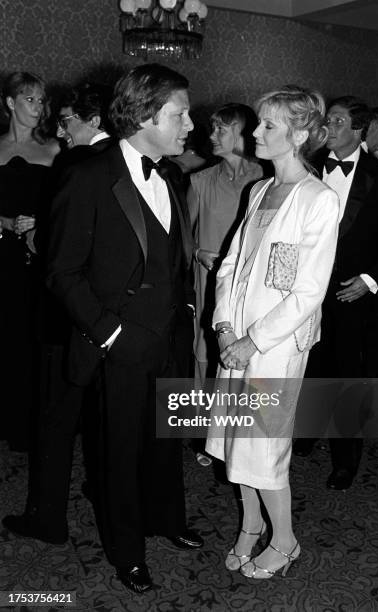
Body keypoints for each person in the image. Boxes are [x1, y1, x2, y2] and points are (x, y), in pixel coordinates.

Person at [5, 63, 203, 594]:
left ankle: (167, 519)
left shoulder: (174, 172)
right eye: (180, 113)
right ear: (143, 115)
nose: (190, 123)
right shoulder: (87, 172)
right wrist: (110, 334)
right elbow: (61, 271)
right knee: (117, 450)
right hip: (116, 342)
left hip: (169, 336)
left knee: (167, 437)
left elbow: (171, 260)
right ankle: (126, 550)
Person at [205, 86, 339, 579]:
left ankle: (285, 541)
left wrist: (251, 341)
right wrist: (223, 326)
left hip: (275, 347)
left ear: (300, 134)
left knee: (265, 444)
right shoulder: (258, 189)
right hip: (234, 339)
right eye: (258, 123)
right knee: (237, 439)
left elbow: (308, 293)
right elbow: (230, 266)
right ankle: (249, 526)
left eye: (268, 126)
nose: (254, 132)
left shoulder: (318, 200)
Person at [2, 82, 116, 550]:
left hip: (56, 289)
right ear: (9, 102)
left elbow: (67, 229)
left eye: (60, 113)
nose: (50, 116)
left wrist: (39, 234)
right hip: (81, 296)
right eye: (33, 100)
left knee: (58, 404)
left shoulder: (65, 157)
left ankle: (47, 513)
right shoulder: (116, 160)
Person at [295, 96, 378, 489]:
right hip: (307, 291)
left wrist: (369, 280)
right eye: (328, 120)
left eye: (338, 121)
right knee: (308, 364)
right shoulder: (306, 168)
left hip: (352, 294)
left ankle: (346, 459)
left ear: (358, 131)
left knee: (346, 374)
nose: (329, 127)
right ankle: (305, 434)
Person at [188, 103, 263, 466]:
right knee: (207, 357)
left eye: (221, 129)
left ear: (244, 135)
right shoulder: (199, 181)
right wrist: (199, 252)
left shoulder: (266, 179)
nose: (212, 135)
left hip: (252, 291)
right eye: (212, 128)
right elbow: (180, 239)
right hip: (210, 288)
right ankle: (209, 435)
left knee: (248, 361)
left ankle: (242, 433)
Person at [0, 71, 59, 451]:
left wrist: (40, 221)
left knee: (34, 337)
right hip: (1, 252)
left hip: (40, 254)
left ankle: (31, 423)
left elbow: (66, 204)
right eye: (30, 100)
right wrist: (4, 222)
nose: (38, 108)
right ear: (10, 103)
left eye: (41, 101)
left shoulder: (54, 149)